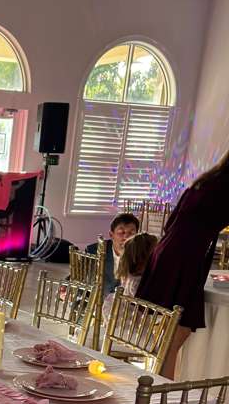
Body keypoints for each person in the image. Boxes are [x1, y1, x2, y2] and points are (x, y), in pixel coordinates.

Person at [137, 152, 229, 378]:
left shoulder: (205, 181)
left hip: (168, 250)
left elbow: (170, 222)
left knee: (173, 332)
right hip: (185, 256)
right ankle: (161, 388)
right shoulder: (224, 188)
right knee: (177, 333)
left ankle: (157, 385)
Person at [102, 231, 158, 320]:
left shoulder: (129, 274)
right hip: (129, 320)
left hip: (115, 311)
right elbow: (145, 306)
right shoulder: (138, 282)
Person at [86, 213, 139, 296]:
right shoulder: (94, 250)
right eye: (121, 232)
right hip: (98, 299)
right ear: (111, 234)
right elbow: (81, 274)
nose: (126, 237)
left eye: (132, 233)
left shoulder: (140, 255)